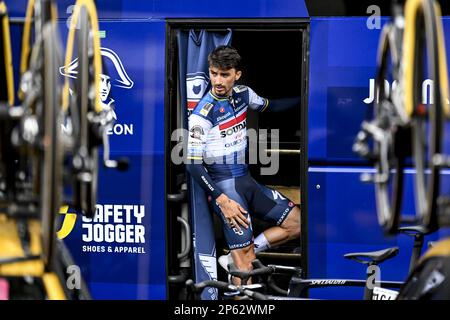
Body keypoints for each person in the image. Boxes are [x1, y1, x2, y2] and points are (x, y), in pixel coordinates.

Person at [186, 45, 301, 283]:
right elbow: (193, 165)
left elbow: (273, 107)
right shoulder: (201, 114)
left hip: (246, 180)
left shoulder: (244, 94)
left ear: (237, 74)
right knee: (245, 266)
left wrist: (310, 96)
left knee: (297, 223)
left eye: (224, 74)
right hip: (224, 188)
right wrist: (222, 200)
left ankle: (237, 256)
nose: (217, 80)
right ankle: (239, 264)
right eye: (213, 73)